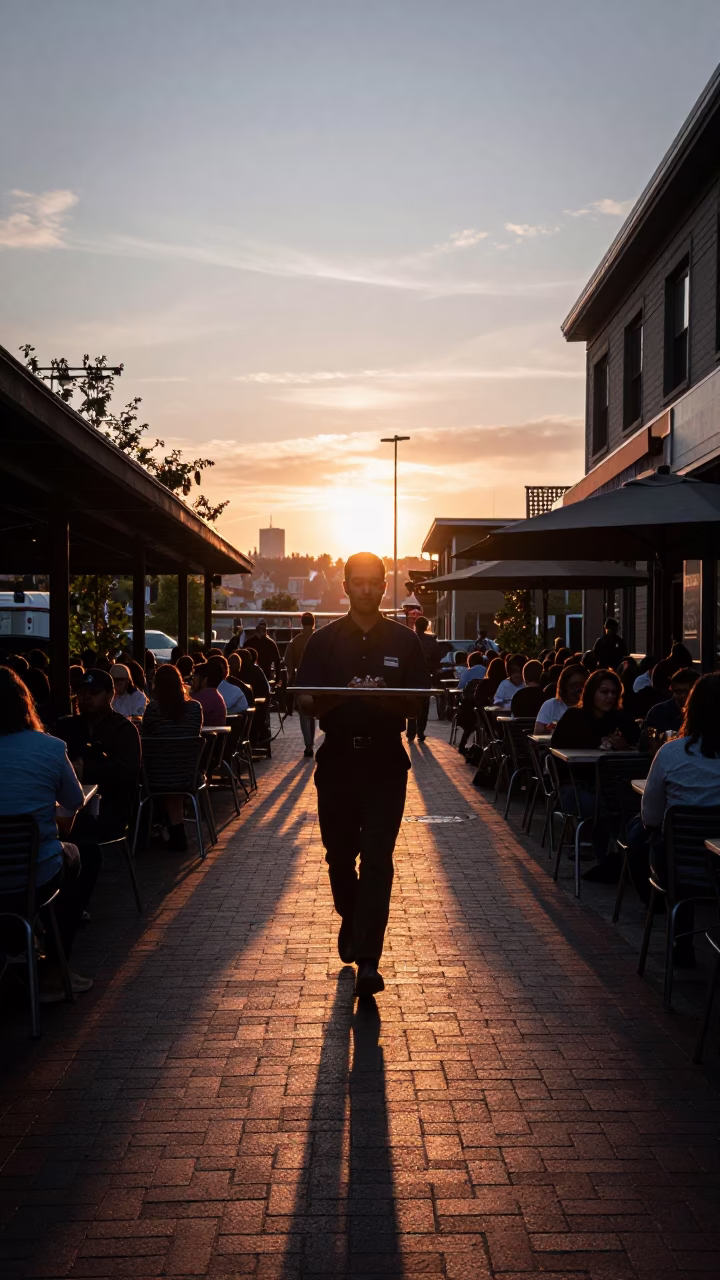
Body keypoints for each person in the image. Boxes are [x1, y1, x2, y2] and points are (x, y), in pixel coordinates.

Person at [296, 551, 429, 1000]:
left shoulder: (404, 642)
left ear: (384, 584)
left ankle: (369, 959)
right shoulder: (325, 642)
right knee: (339, 857)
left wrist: (381, 698)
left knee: (377, 860)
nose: (368, 589)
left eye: (375, 582)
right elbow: (304, 701)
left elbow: (416, 704)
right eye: (359, 582)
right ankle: (350, 920)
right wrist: (344, 696)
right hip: (337, 763)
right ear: (347, 585)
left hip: (385, 765)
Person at [0, 667, 97, 1000]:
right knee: (82, 856)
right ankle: (55, 968)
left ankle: (17, 949)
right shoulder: (50, 748)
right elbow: (74, 801)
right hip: (33, 875)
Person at [626, 674, 720, 964]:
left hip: (680, 869)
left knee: (651, 838)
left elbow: (651, 816)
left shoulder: (671, 753)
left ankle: (679, 941)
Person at [55, 669, 142, 845]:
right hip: (68, 808)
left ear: (110, 695)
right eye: (81, 693)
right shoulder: (65, 727)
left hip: (110, 809)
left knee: (81, 830)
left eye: (94, 693)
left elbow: (127, 772)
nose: (86, 698)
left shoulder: (123, 730)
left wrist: (85, 768)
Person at [142, 664, 204, 851]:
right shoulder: (195, 709)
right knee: (173, 771)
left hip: (156, 777)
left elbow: (147, 735)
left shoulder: (153, 710)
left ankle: (156, 829)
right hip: (187, 775)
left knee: (152, 774)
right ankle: (175, 830)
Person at [551, 668, 640, 751]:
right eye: (604, 692)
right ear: (591, 692)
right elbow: (556, 747)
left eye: (614, 692)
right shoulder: (573, 717)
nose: (610, 696)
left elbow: (639, 748)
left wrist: (625, 747)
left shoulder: (622, 719)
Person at [638, 667, 699, 752]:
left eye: (688, 692)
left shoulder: (707, 712)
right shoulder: (657, 713)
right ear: (672, 689)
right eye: (678, 691)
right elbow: (646, 742)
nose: (683, 696)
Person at [285, 612, 317, 756]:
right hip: (318, 682)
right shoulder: (319, 639)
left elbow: (289, 667)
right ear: (314, 622)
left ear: (301, 623)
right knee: (314, 714)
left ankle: (308, 746)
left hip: (301, 681)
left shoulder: (295, 642)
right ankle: (312, 741)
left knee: (304, 715)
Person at [408, 616, 443, 741]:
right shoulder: (431, 641)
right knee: (424, 704)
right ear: (426, 626)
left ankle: (411, 731)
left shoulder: (409, 638)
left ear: (415, 625)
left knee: (411, 702)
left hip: (410, 677)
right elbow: (436, 660)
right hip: (424, 676)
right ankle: (420, 731)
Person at [535, 663, 586, 732]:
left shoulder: (591, 708)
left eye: (582, 686)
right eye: (574, 686)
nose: (578, 690)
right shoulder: (551, 705)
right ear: (563, 686)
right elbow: (538, 734)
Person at [191, 655, 228, 726]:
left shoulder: (200, 698)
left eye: (194, 680)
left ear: (205, 681)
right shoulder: (216, 695)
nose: (192, 683)